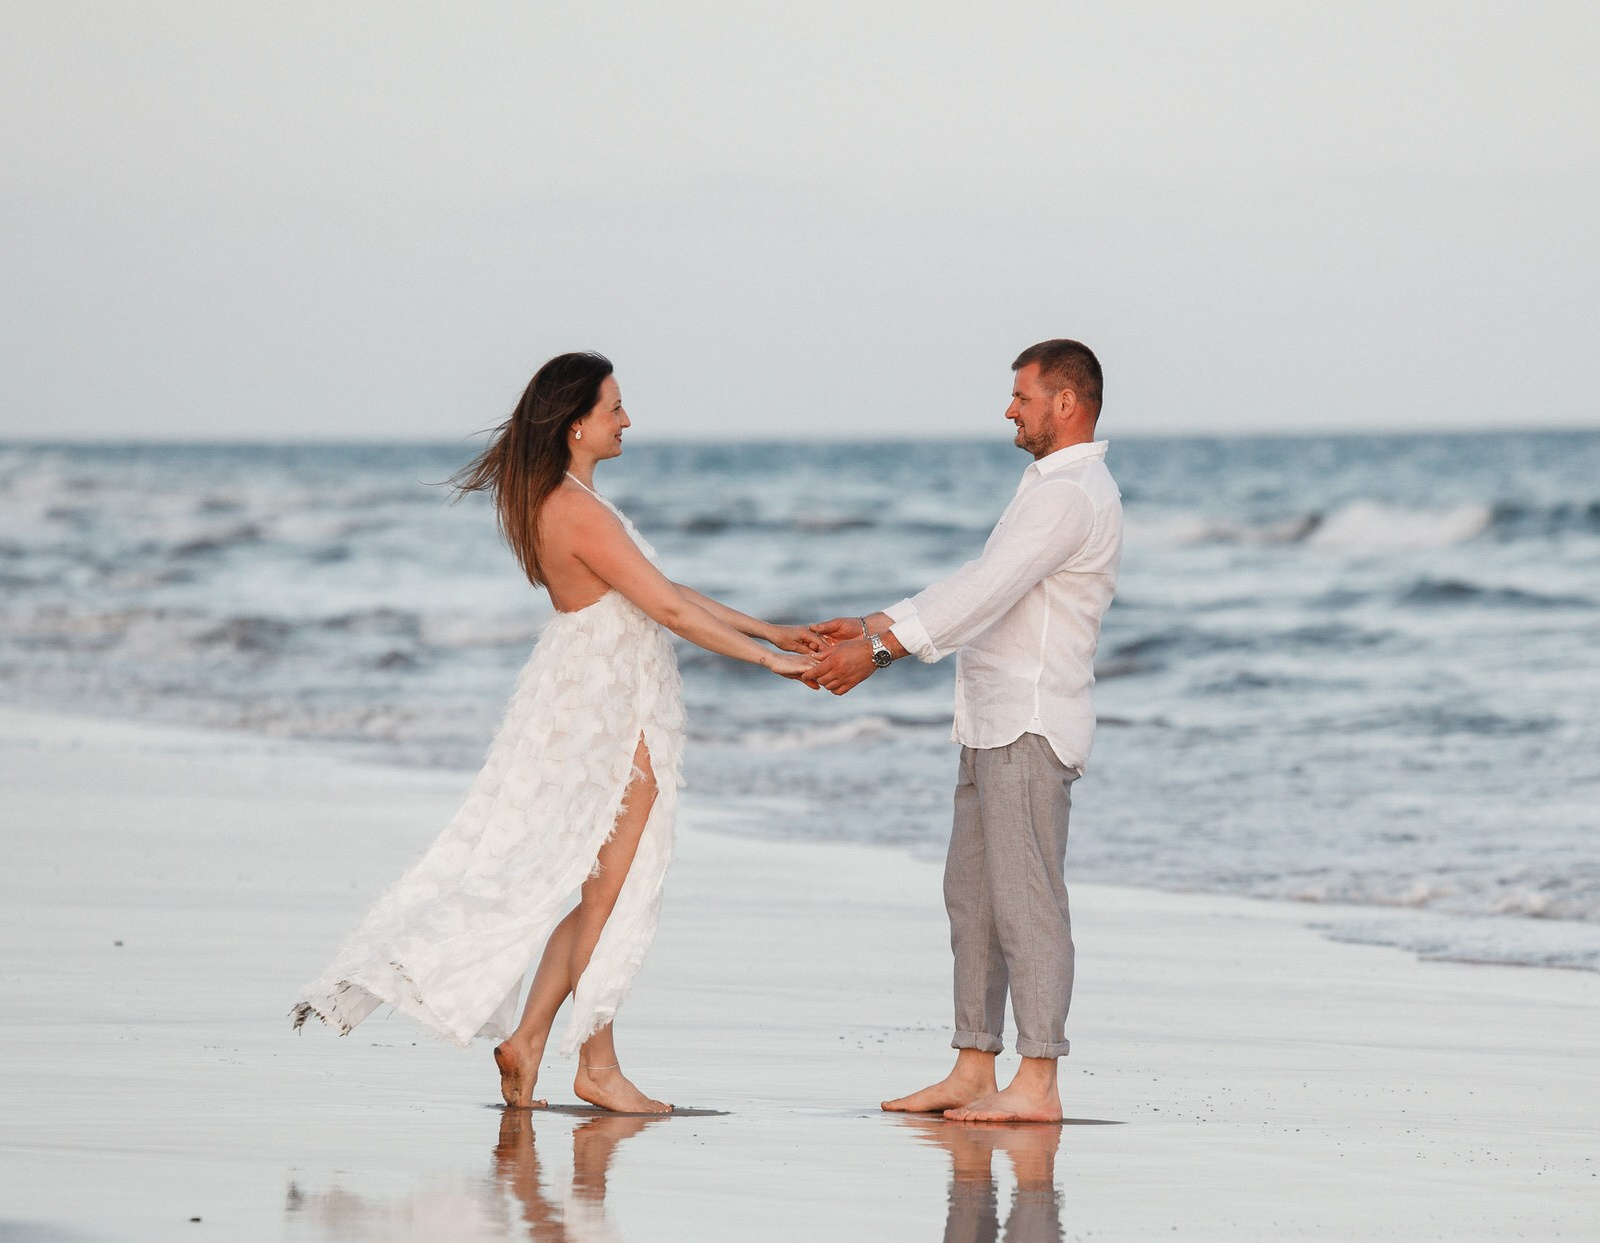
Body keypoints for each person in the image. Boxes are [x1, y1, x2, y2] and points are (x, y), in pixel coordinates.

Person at [292, 352, 815, 1113]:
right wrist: (768, 662)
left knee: (602, 886)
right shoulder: (573, 510)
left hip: (593, 696)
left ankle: (574, 1053)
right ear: (576, 425)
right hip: (611, 708)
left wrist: (773, 629)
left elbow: (662, 592)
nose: (627, 420)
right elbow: (666, 612)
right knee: (607, 890)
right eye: (614, 408)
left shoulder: (566, 500)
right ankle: (556, 1049)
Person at [807, 339, 1122, 1123]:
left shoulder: (1071, 493)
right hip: (989, 720)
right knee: (973, 901)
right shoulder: (1045, 487)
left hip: (1030, 720)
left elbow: (986, 591)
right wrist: (878, 620)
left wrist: (877, 651)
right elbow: (977, 584)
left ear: (1065, 403)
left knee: (1026, 902)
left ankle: (1039, 1080)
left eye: (1021, 396)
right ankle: (973, 1065)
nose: (1008, 409)